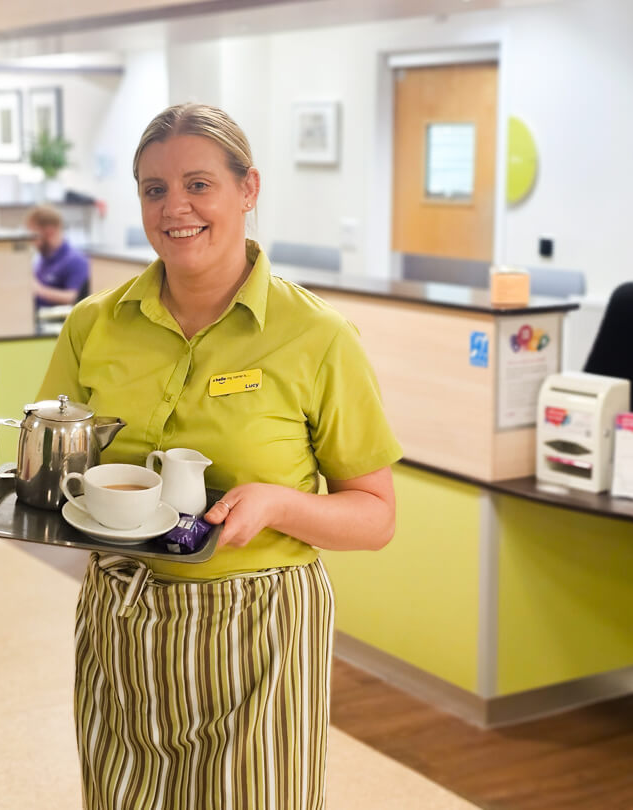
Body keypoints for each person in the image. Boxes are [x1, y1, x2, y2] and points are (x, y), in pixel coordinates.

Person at [37, 103, 402, 809]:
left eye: (199, 184)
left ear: (248, 189)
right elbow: (59, 469)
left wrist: (279, 503)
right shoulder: (93, 325)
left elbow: (376, 516)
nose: (176, 207)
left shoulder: (318, 337)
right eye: (154, 189)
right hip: (123, 621)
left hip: (260, 633)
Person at [24, 204, 90, 306]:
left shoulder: (76, 261)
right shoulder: (43, 258)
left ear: (49, 231)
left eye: (34, 235)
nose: (32, 241)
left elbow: (74, 297)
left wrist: (38, 290)